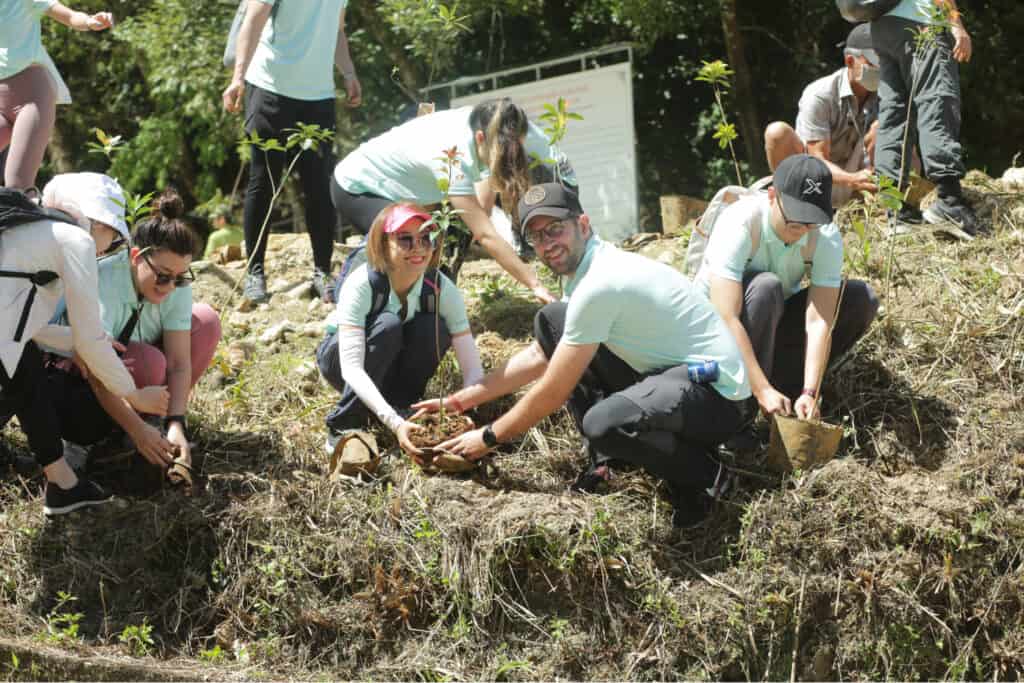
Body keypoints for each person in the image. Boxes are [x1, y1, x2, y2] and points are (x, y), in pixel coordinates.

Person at [416, 183, 753, 526]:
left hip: (717, 399)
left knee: (603, 423)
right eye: (537, 237)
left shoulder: (600, 283)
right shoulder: (588, 268)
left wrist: (488, 437)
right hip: (674, 375)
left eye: (555, 230)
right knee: (552, 321)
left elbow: (554, 390)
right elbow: (540, 355)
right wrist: (461, 400)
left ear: (584, 224)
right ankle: (609, 460)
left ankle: (708, 476)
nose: (548, 245)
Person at [0, 186, 168, 516]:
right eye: (116, 240)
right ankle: (63, 483)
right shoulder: (76, 240)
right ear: (98, 224)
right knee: (23, 364)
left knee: (25, 362)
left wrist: (86, 339)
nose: (110, 250)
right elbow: (87, 341)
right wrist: (133, 394)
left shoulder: (29, 230)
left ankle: (63, 484)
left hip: (11, 343)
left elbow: (17, 328)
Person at [331, 98, 577, 304]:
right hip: (360, 186)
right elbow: (484, 233)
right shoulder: (450, 157)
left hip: (413, 191)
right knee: (411, 244)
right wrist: (534, 284)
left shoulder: (518, 129)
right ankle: (351, 279)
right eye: (499, 160)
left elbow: (566, 181)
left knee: (434, 249)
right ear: (480, 139)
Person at [48, 189, 222, 472]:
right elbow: (96, 371)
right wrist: (137, 430)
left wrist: (176, 423)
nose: (169, 287)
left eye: (180, 278)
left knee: (206, 321)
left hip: (139, 375)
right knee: (148, 362)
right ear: (135, 257)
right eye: (162, 276)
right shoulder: (103, 281)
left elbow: (179, 363)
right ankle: (103, 437)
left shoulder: (176, 285)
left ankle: (158, 423)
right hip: (85, 381)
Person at [696, 154, 879, 423]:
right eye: (795, 216)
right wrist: (761, 389)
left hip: (769, 329)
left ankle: (789, 397)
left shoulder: (824, 235)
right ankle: (740, 410)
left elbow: (819, 321)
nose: (803, 228)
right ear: (772, 196)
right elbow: (726, 316)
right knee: (766, 288)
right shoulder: (741, 223)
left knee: (860, 298)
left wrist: (810, 390)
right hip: (716, 340)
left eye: (811, 219)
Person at [222, 0, 362, 304]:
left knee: (319, 186)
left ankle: (322, 272)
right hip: (269, 87)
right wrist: (238, 78)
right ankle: (255, 273)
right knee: (265, 182)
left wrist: (348, 72)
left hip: (319, 96)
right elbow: (253, 20)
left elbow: (336, 31)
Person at [316, 202, 483, 456]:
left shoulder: (440, 288)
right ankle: (344, 424)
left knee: (434, 327)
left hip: (392, 361)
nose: (418, 248)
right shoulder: (362, 284)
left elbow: (472, 366)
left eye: (426, 238)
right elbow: (351, 368)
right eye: (405, 239)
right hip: (342, 361)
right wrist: (393, 423)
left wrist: (465, 410)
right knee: (387, 325)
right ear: (383, 245)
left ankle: (405, 404)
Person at [870, 0, 980, 234]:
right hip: (920, 21)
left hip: (882, 27)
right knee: (936, 101)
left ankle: (896, 211)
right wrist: (955, 23)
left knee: (894, 116)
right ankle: (949, 201)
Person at [764, 23, 880, 208]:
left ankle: (887, 208)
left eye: (883, 61)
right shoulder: (820, 94)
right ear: (850, 61)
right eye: (872, 63)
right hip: (814, 180)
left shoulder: (887, 95)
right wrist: (851, 179)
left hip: (859, 182)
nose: (879, 68)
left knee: (892, 129)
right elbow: (817, 159)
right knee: (777, 133)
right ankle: (790, 207)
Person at [0, 1, 114, 190]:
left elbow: (70, 16)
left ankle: (30, 208)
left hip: (32, 97)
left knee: (17, 183)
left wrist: (89, 21)